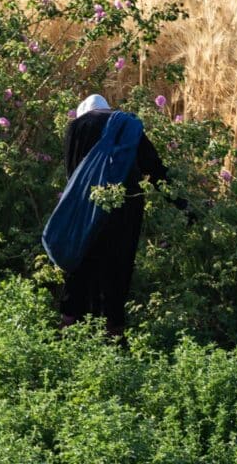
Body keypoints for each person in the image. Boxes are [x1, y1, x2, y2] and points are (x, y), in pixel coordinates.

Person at [59, 94, 181, 339]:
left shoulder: (75, 128)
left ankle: (71, 326)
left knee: (81, 262)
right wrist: (181, 202)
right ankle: (113, 330)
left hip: (85, 204)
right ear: (108, 110)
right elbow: (154, 169)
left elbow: (71, 173)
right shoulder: (126, 124)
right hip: (124, 208)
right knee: (118, 265)